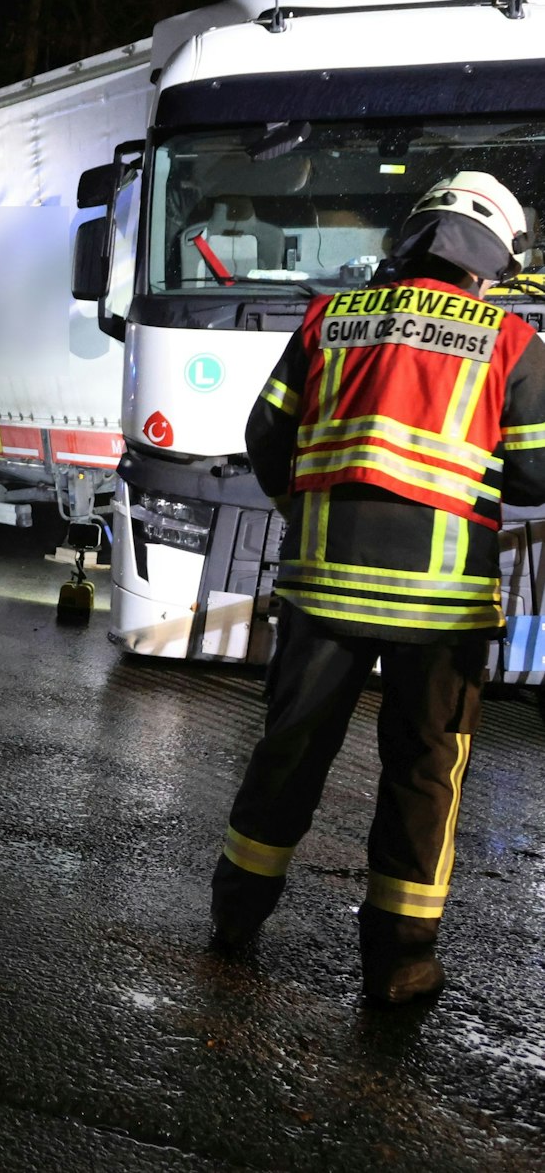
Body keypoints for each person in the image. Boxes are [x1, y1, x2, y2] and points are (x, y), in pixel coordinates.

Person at [211, 171, 545, 1005]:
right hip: (441, 608)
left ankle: (235, 921)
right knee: (424, 772)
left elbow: (265, 437)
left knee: (288, 754)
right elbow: (536, 473)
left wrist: (306, 502)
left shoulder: (331, 319)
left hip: (321, 592)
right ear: (490, 260)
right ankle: (399, 965)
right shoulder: (511, 342)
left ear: (412, 238)